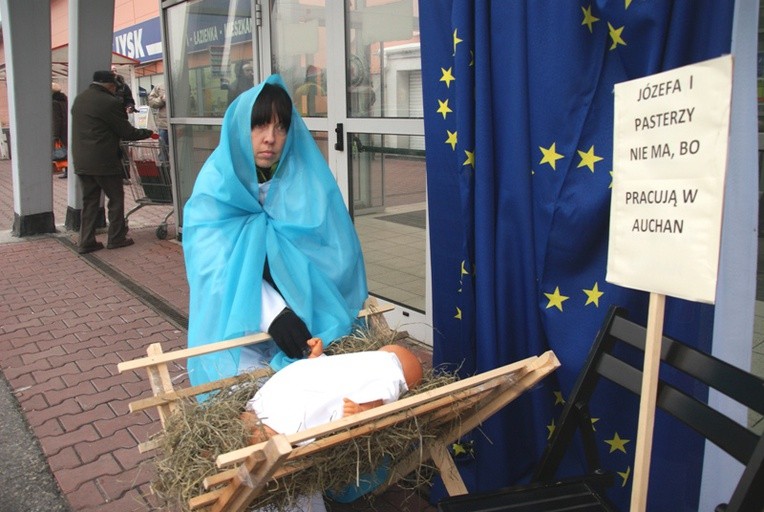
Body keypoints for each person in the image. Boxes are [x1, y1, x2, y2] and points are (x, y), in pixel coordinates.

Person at [182, 74, 368, 388]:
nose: (270, 138)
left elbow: (337, 252)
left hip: (312, 324)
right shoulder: (215, 189)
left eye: (280, 126)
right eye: (259, 125)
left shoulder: (304, 181)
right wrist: (272, 313)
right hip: (242, 336)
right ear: (239, 128)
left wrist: (305, 301)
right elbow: (212, 269)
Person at [239, 341, 423, 512]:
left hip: (293, 379)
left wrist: (318, 357)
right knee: (295, 415)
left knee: (279, 403)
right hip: (310, 395)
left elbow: (331, 368)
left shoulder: (363, 362)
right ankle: (263, 436)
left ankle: (252, 420)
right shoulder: (390, 375)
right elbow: (378, 400)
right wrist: (362, 410)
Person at [242, 341, 424, 441]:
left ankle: (256, 421)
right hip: (312, 380)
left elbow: (377, 400)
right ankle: (263, 430)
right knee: (301, 406)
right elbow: (334, 369)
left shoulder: (389, 375)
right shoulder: (384, 372)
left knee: (291, 397)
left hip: (300, 378)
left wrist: (362, 411)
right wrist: (318, 357)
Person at [70, 70, 154, 254]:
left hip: (82, 161)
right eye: (115, 87)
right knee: (115, 199)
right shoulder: (109, 102)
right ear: (110, 85)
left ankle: (86, 241)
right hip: (104, 161)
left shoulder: (80, 99)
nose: (116, 90)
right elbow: (127, 132)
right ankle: (116, 238)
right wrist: (147, 133)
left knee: (90, 202)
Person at [51, 83, 69, 179]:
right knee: (67, 150)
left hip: (61, 131)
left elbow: (56, 119)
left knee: (62, 151)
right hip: (67, 129)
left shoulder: (54, 103)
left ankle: (67, 171)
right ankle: (67, 170)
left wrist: (55, 135)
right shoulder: (64, 100)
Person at [147, 83, 168, 147]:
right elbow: (151, 103)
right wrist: (161, 99)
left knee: (180, 151)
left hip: (180, 124)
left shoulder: (182, 85)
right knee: (163, 150)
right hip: (164, 126)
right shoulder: (160, 87)